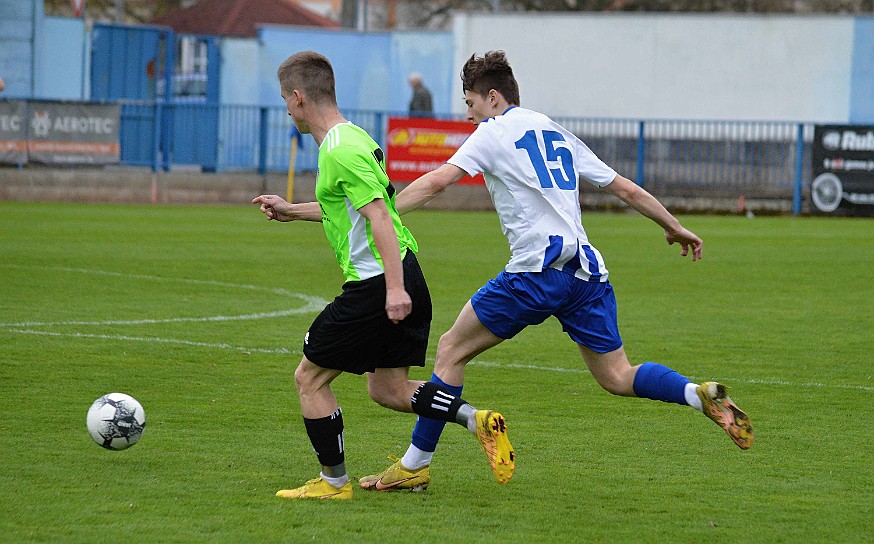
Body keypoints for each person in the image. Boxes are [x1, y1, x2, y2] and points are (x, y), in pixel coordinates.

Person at [360, 50, 754, 492]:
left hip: (534, 272)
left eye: (470, 104)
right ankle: (695, 395)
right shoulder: (554, 130)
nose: (468, 115)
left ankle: (415, 466)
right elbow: (622, 186)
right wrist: (673, 226)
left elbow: (436, 181)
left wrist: (383, 214)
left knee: (451, 350)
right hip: (586, 273)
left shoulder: (491, 133)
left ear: (492, 98)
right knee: (617, 376)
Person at [251, 51, 514, 500]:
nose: (286, 108)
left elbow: (380, 219)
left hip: (378, 284)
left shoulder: (340, 150)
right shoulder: (351, 138)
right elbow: (354, 210)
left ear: (298, 98)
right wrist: (292, 211)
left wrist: (393, 290)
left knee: (308, 378)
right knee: (388, 388)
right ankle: (478, 420)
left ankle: (333, 484)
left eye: (285, 100)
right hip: (403, 274)